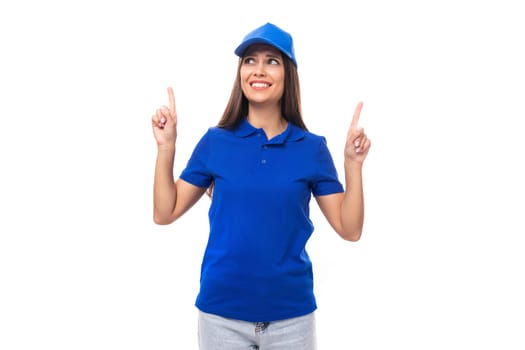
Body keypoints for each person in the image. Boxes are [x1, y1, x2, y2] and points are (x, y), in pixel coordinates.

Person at [151, 22, 371, 350]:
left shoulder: (311, 148)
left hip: (291, 319)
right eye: (250, 61)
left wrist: (353, 165)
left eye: (272, 61)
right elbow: (164, 212)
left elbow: (350, 229)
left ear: (288, 74)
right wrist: (166, 146)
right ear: (240, 73)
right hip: (222, 316)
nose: (259, 69)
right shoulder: (216, 142)